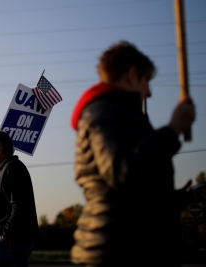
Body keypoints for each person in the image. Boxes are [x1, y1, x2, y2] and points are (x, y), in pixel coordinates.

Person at [70, 41, 196, 266]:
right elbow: (123, 172)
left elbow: (134, 189)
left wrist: (169, 198)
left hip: (126, 245)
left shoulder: (119, 115)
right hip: (119, 250)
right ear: (132, 74)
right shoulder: (107, 113)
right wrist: (173, 129)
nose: (148, 92)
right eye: (146, 81)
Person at [0, 130, 40, 267]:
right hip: (10, 240)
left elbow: (20, 206)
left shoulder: (12, 168)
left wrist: (6, 236)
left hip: (12, 240)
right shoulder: (4, 170)